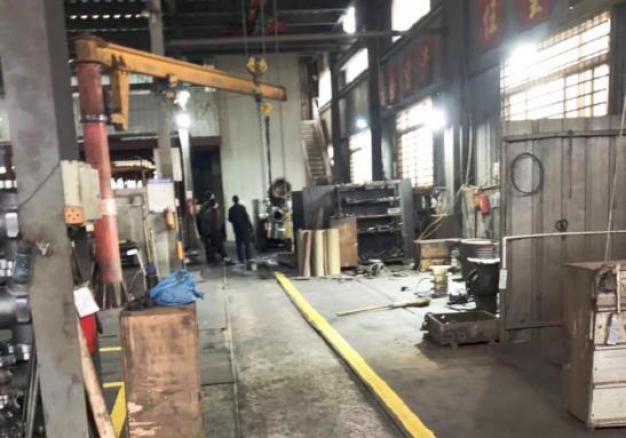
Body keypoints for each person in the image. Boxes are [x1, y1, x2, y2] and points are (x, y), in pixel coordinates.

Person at [199, 198, 229, 264]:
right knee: (218, 247)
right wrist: (209, 234)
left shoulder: (210, 212)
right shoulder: (211, 212)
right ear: (214, 204)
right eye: (216, 203)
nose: (217, 204)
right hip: (213, 233)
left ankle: (216, 259)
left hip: (213, 233)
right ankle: (223, 259)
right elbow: (208, 224)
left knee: (215, 247)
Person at [228, 195, 253, 265]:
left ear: (233, 201)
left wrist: (235, 221)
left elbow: (230, 219)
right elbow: (247, 218)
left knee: (238, 245)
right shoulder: (242, 208)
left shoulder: (231, 209)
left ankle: (241, 259)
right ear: (238, 200)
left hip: (237, 229)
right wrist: (251, 227)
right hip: (244, 229)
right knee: (246, 244)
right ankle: (248, 258)